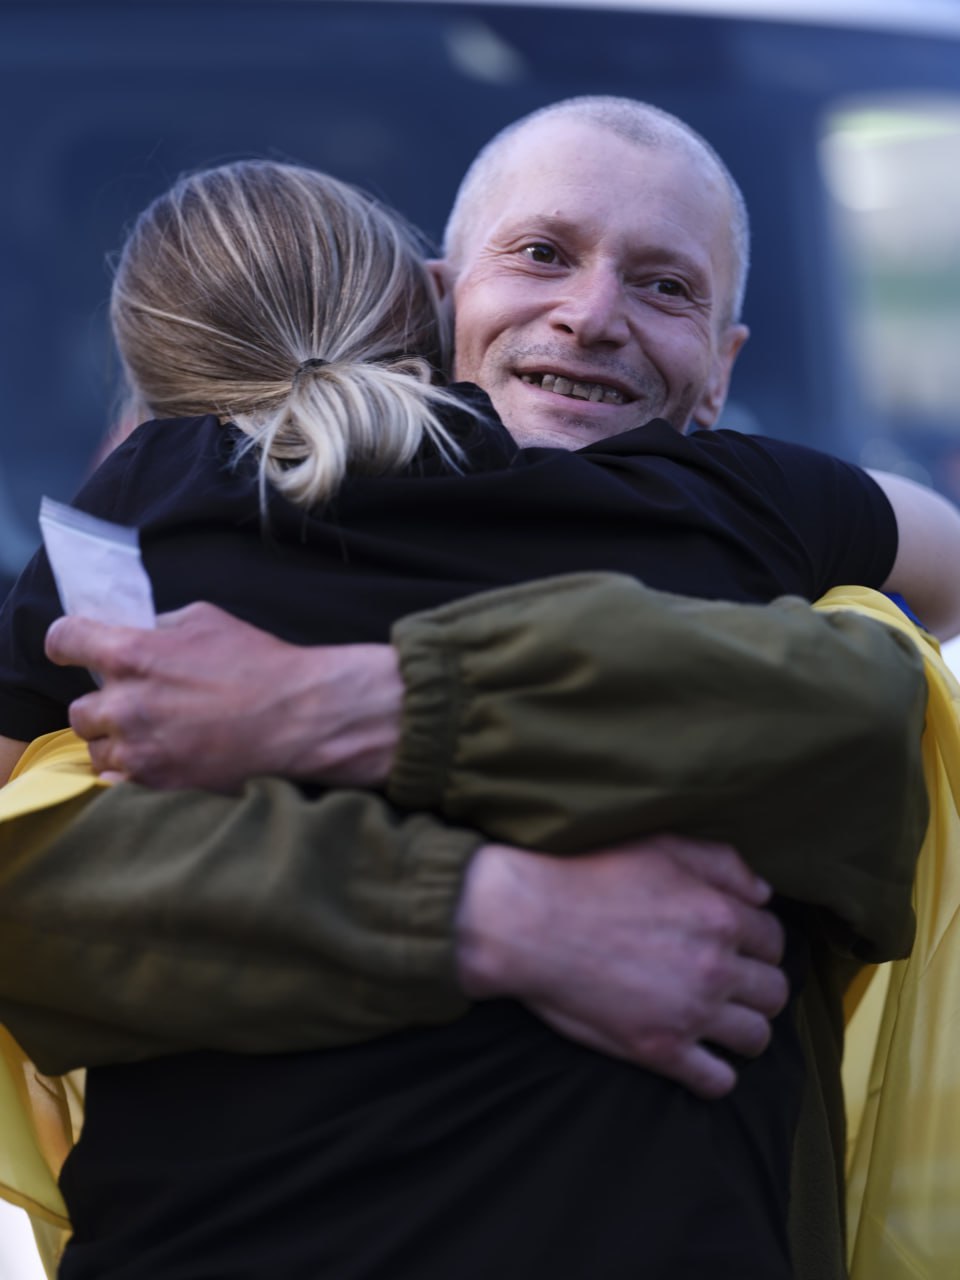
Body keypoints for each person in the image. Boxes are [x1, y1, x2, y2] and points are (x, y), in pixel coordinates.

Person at [0, 96, 954, 1277]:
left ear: (720, 371)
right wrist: (494, 910)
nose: (591, 314)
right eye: (543, 253)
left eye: (666, 287)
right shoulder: (764, 520)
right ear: (440, 301)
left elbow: (871, 699)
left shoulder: (753, 521)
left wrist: (333, 703)